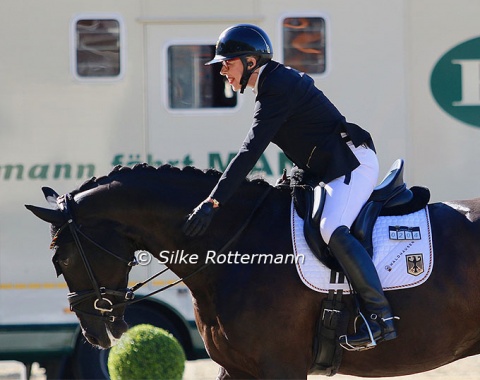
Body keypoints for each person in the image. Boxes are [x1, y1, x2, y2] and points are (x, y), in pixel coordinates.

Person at [182, 24, 398, 351]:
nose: (222, 70)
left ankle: (380, 319)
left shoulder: (276, 87)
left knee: (332, 227)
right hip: (327, 170)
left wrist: (214, 201)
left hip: (352, 164)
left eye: (227, 63)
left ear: (251, 61)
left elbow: (249, 150)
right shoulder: (273, 83)